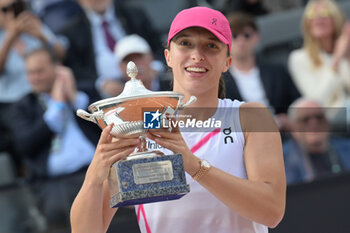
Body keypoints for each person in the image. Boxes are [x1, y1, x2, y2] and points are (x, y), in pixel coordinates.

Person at [70, 6, 286, 233]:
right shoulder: (140, 124)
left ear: (227, 62)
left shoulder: (250, 117)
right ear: (168, 56)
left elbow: (272, 212)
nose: (197, 55)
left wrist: (195, 167)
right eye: (186, 43)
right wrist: (94, 176)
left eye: (211, 46)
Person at [7, 46, 101, 230]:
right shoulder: (23, 107)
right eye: (30, 73)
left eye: (39, 71)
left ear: (57, 68)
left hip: (96, 172)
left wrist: (74, 98)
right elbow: (25, 145)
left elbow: (106, 126)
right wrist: (57, 106)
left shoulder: (85, 93)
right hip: (54, 184)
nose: (34, 78)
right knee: (58, 211)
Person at [0, 0, 67, 168]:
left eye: (16, 7)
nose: (11, 14)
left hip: (45, 94)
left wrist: (41, 35)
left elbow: (60, 55)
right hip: (13, 103)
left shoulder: (35, 27)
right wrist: (10, 37)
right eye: (5, 10)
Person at [59, 0, 163, 91]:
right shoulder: (71, 32)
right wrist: (100, 84)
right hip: (105, 98)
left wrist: (156, 68)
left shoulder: (135, 15)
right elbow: (75, 71)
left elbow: (159, 47)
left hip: (150, 84)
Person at [224, 12, 300, 131]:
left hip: (282, 134)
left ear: (256, 37)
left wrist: (289, 118)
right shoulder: (219, 80)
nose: (241, 41)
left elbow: (296, 102)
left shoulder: (277, 72)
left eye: (247, 35)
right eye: (234, 36)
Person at [288, 0, 350, 123]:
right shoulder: (298, 58)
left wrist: (347, 57)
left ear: (336, 18)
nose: (318, 19)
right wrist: (336, 60)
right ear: (307, 23)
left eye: (325, 14)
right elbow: (317, 102)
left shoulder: (346, 51)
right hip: (329, 122)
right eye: (312, 15)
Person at [283, 98, 350, 185]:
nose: (314, 124)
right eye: (305, 119)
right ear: (293, 128)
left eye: (319, 117)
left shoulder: (347, 148)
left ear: (328, 122)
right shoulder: (281, 161)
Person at [96, 34, 172, 98]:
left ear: (151, 58)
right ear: (120, 68)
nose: (135, 64)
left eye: (139, 57)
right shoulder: (115, 102)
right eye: (128, 60)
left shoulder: (172, 86)